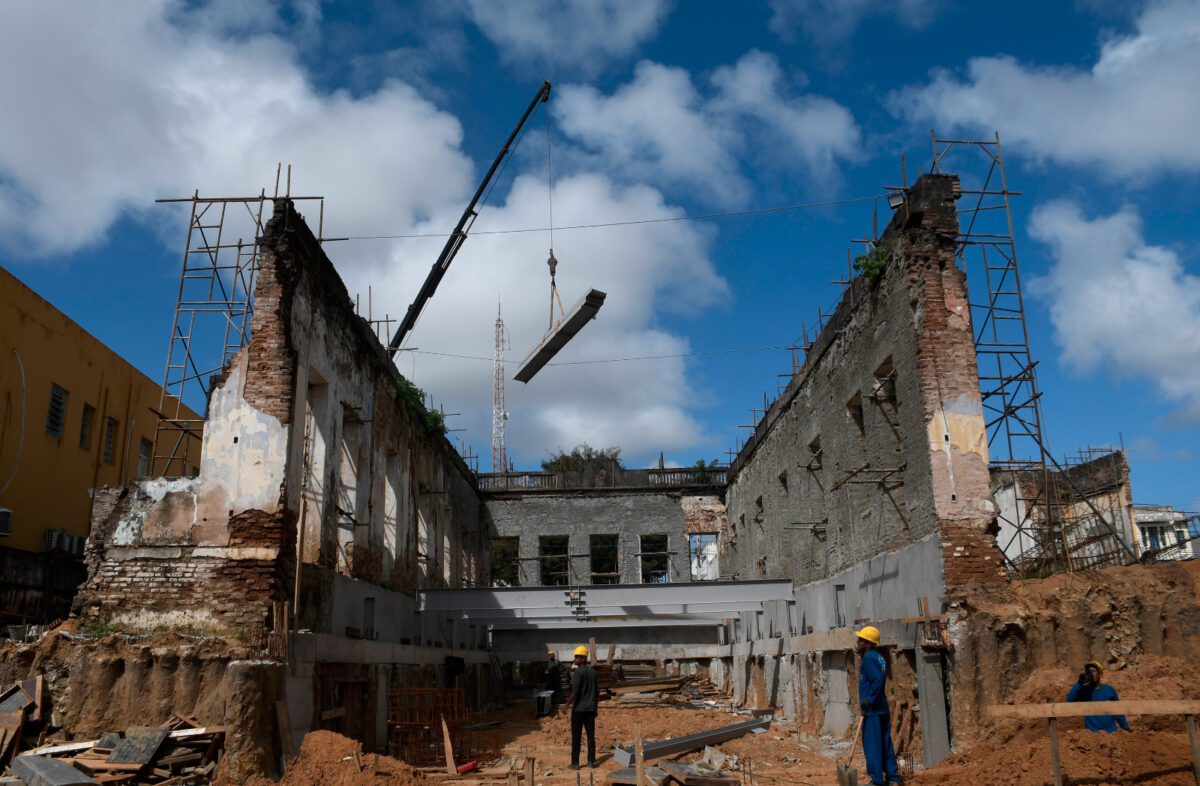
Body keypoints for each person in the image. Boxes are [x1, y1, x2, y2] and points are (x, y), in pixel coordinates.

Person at [855, 625, 898, 786]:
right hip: (882, 708)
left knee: (872, 745)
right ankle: (892, 778)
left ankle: (877, 781)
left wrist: (869, 700)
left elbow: (877, 680)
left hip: (872, 710)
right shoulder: (879, 657)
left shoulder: (868, 658)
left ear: (868, 643)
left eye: (860, 640)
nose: (858, 642)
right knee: (885, 743)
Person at [1067, 660, 1131, 732]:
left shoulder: (1109, 690)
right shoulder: (1084, 691)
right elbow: (1070, 699)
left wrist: (1125, 727)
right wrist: (1080, 682)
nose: (1090, 673)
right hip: (1092, 735)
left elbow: (1118, 712)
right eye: (1088, 671)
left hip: (1111, 733)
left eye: (1093, 671)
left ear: (1099, 674)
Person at [566, 645, 598, 770]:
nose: (575, 659)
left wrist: (567, 705)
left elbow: (574, 692)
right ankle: (591, 761)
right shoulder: (593, 673)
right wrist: (596, 708)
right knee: (591, 736)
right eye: (575, 657)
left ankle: (575, 763)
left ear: (584, 659)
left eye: (577, 657)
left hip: (579, 710)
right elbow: (597, 694)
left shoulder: (578, 672)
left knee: (576, 736)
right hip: (590, 709)